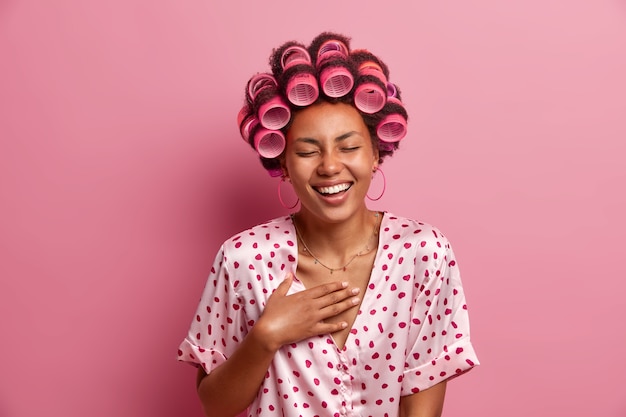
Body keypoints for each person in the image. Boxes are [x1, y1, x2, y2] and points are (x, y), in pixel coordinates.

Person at [178, 32, 479, 417]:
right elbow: (216, 406)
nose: (330, 166)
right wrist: (267, 336)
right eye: (306, 151)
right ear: (283, 164)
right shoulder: (244, 259)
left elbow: (422, 403)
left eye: (349, 147)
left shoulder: (422, 252)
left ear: (376, 154)